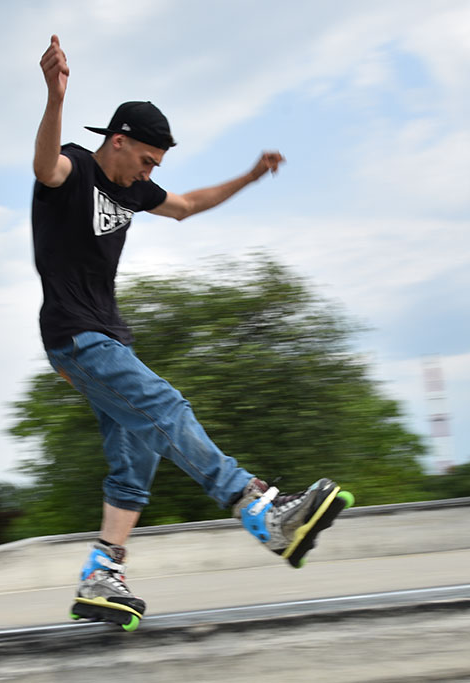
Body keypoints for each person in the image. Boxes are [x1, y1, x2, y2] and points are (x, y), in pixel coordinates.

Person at [32, 35, 353, 630]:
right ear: (118, 141)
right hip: (77, 335)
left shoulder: (133, 188)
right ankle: (261, 511)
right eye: (145, 161)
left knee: (135, 458)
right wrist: (54, 98)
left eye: (156, 168)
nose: (148, 175)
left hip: (105, 337)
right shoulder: (76, 167)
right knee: (164, 407)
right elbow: (44, 164)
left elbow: (185, 205)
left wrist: (252, 176)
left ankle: (103, 572)